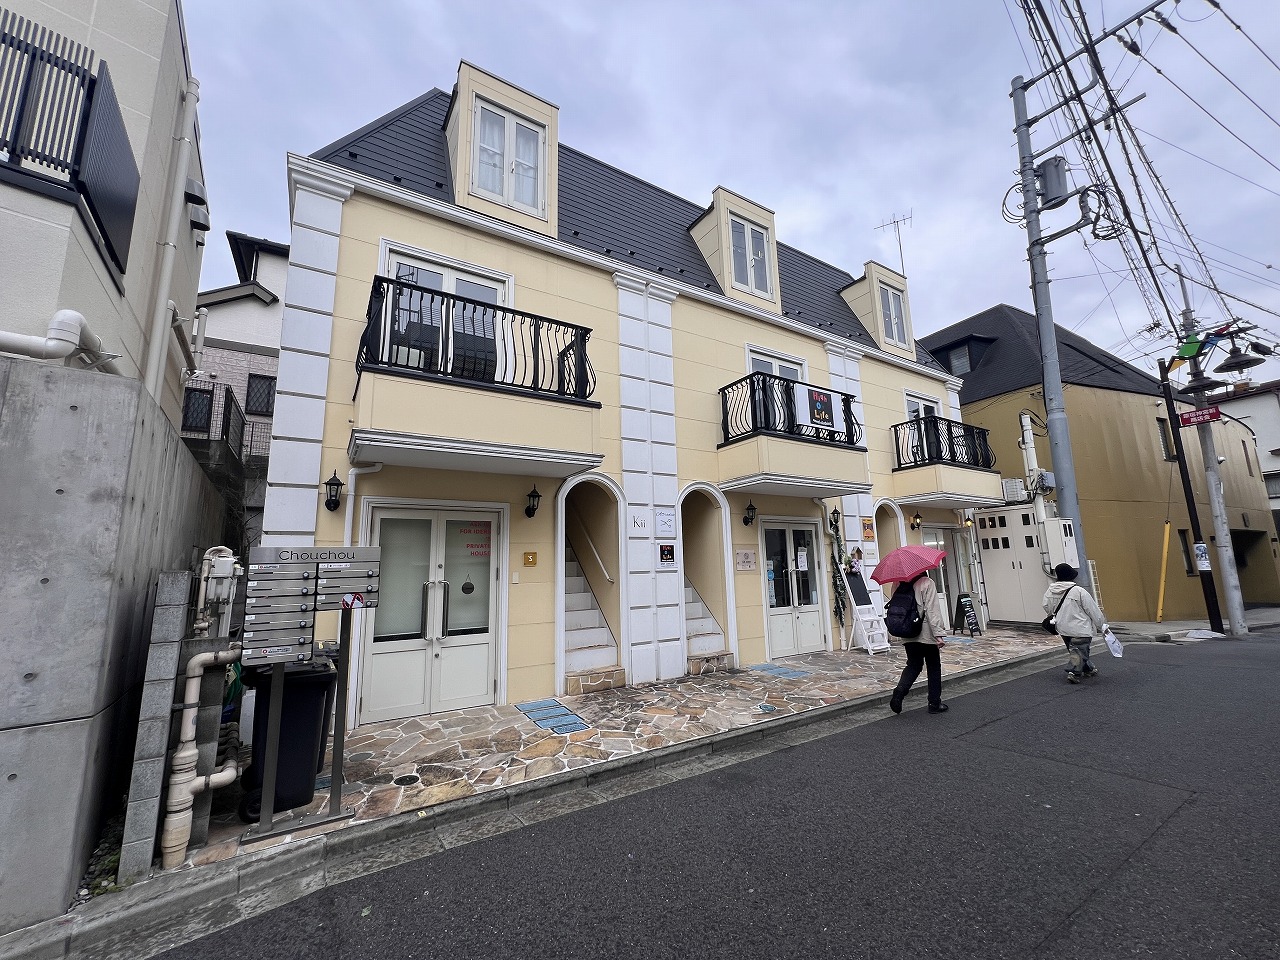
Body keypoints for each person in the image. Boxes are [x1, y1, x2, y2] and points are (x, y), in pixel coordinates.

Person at [888, 573, 950, 714]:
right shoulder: (927, 582)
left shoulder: (897, 583)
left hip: (908, 630)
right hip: (926, 632)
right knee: (933, 666)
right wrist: (938, 634)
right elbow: (932, 610)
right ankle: (934, 703)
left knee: (913, 665)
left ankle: (900, 691)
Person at [1042, 563, 1107, 683]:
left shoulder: (1050, 591)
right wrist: (1101, 625)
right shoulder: (1079, 591)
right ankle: (1073, 672)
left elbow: (1047, 607)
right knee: (1079, 651)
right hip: (1080, 628)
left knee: (1077, 651)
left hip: (1063, 628)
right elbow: (1092, 610)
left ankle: (1088, 669)